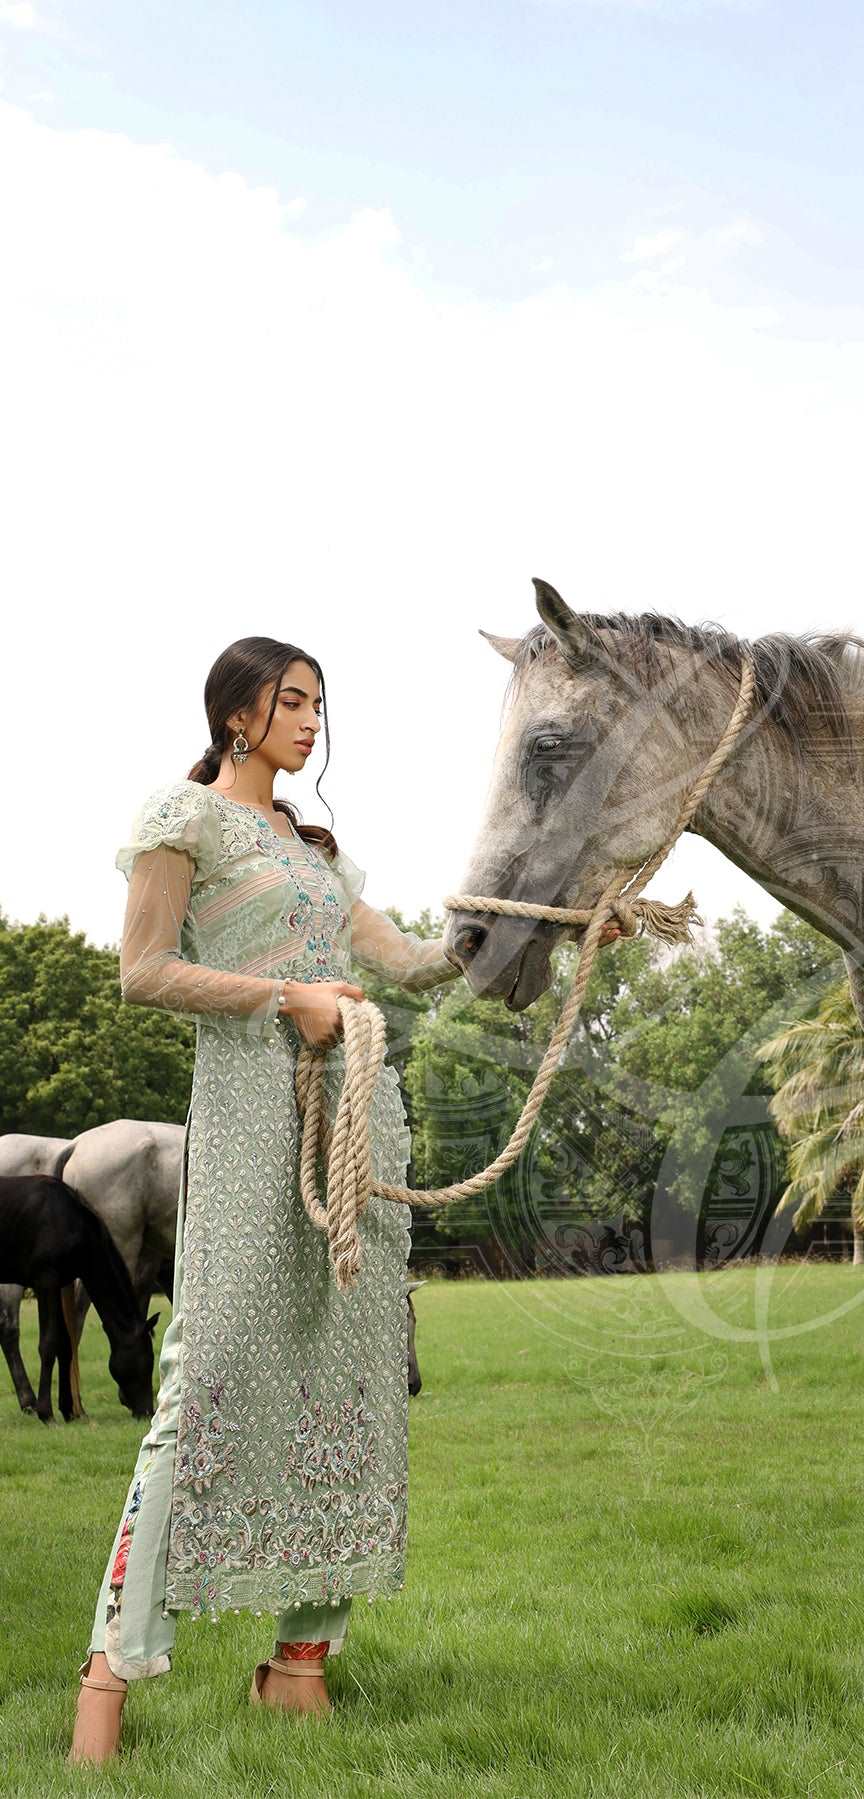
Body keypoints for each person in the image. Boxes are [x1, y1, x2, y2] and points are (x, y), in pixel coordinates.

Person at [69, 634, 502, 1764]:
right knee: (202, 1381)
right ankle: (109, 1668)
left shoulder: (315, 850)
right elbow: (143, 969)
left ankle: (298, 1663)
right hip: (254, 1121)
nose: (312, 720)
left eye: (319, 702)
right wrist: (284, 998)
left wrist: (533, 928)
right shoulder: (185, 817)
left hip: (354, 1126)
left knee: (350, 1385)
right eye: (293, 700)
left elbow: (408, 962)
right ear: (235, 713)